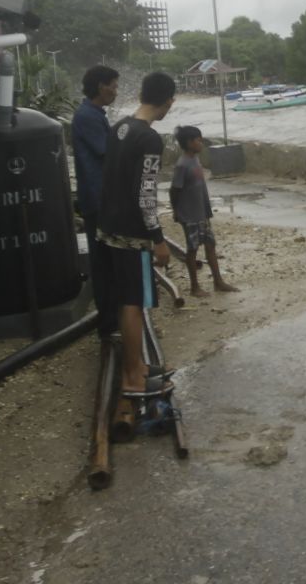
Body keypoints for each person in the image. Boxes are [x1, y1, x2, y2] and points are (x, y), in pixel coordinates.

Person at [97, 71, 176, 397]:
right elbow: (145, 195)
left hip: (109, 230)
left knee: (124, 301)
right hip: (132, 236)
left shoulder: (120, 128)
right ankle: (133, 378)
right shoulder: (149, 139)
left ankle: (139, 366)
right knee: (133, 303)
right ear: (168, 101)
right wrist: (158, 239)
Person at [71, 65, 119, 334]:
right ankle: (110, 323)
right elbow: (106, 153)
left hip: (100, 198)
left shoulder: (92, 114)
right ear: (101, 86)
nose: (115, 90)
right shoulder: (88, 116)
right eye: (113, 85)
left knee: (108, 261)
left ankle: (112, 318)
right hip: (98, 200)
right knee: (104, 263)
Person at [169, 125, 238, 296]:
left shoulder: (195, 160)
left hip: (201, 212)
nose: (201, 143)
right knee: (192, 249)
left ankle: (218, 281)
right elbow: (174, 190)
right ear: (189, 142)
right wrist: (176, 211)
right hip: (190, 214)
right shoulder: (182, 165)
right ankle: (194, 287)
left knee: (210, 245)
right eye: (198, 140)